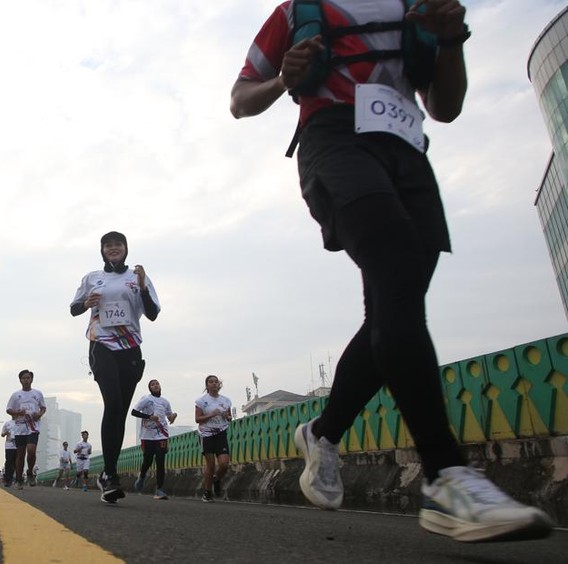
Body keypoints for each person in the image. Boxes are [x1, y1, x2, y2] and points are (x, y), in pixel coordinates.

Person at [230, 0, 553, 541]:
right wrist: (283, 80)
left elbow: (445, 107)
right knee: (397, 268)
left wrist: (451, 39)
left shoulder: (418, 7)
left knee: (393, 303)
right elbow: (241, 100)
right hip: (332, 140)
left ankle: (323, 432)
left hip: (407, 152)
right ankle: (446, 476)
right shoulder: (299, 11)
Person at [70, 231, 161, 504]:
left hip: (130, 348)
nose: (113, 249)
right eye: (108, 245)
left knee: (120, 411)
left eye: (117, 245)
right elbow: (74, 308)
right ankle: (110, 475)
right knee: (112, 402)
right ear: (102, 250)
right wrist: (86, 303)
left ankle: (107, 474)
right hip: (102, 344)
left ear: (125, 249)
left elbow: (153, 314)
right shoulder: (91, 277)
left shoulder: (137, 277)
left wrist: (143, 286)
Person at [131, 379, 177, 500]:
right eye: (153, 384)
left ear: (160, 386)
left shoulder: (165, 401)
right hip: (147, 435)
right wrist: (149, 417)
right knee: (148, 460)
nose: (155, 385)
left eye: (157, 384)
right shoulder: (146, 399)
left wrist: (173, 416)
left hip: (162, 435)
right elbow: (133, 412)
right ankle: (141, 477)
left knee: (160, 460)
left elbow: (169, 416)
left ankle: (160, 489)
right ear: (150, 388)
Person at [6, 369, 46, 489]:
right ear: (20, 380)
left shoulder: (37, 393)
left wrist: (39, 414)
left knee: (31, 451)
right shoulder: (15, 395)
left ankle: (30, 472)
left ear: (32, 379)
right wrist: (17, 412)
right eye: (24, 378)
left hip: (33, 427)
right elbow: (8, 409)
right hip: (20, 428)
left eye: (28, 378)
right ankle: (19, 479)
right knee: (20, 454)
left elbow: (43, 408)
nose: (26, 380)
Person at [194, 375, 232, 503]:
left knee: (224, 463)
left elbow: (229, 417)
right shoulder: (201, 401)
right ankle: (207, 492)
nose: (214, 384)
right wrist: (211, 415)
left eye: (216, 382)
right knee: (210, 465)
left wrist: (227, 416)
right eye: (211, 382)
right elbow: (197, 419)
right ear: (207, 385)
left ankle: (216, 479)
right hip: (206, 435)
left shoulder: (226, 401)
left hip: (221, 432)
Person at [0, 415, 17, 487]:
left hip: (18, 446)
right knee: (8, 462)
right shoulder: (7, 423)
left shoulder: (21, 423)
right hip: (9, 446)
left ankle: (17, 480)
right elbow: (2, 434)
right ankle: (8, 480)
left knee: (16, 463)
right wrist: (6, 433)